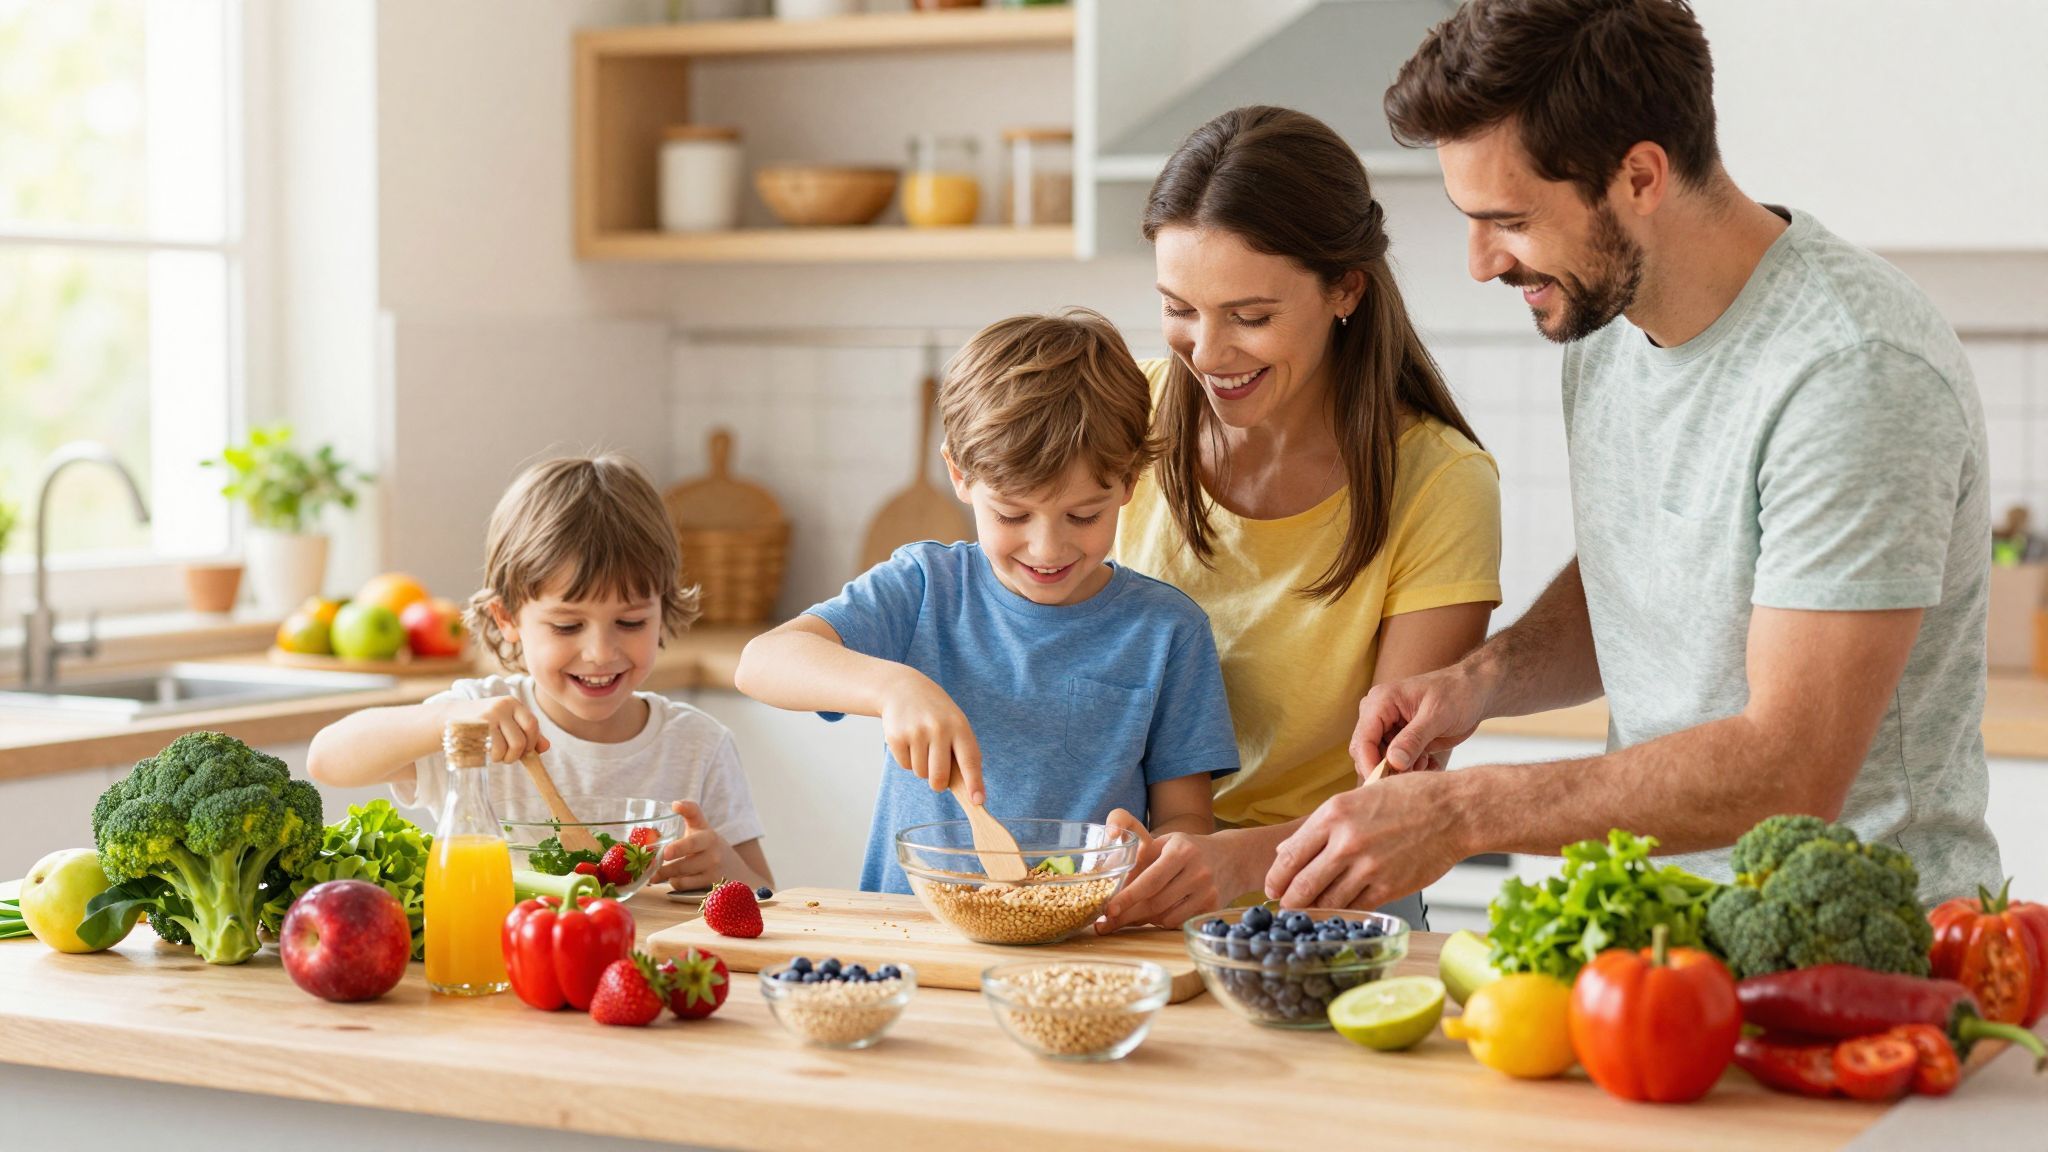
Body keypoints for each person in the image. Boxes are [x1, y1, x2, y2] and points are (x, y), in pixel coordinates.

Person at [1266, 0, 1997, 911]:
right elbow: (1650, 574)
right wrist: (1475, 683)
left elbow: (1789, 769)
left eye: (1510, 220)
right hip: (1656, 943)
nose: (1481, 262)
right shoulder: (1607, 327)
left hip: (1851, 956)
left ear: (1641, 176)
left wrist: (1459, 809)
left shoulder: (1853, 370)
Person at [1096, 105, 1503, 932]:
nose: (1207, 353)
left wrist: (1232, 864)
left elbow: (1398, 792)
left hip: (1328, 913)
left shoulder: (1437, 482)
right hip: (1118, 899)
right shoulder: (1118, 414)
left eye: (1250, 317)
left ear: (1345, 288)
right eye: (1179, 308)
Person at [734, 309, 1239, 896]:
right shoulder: (926, 586)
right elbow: (763, 661)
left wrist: (1150, 852)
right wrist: (893, 687)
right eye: (1012, 514)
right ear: (959, 474)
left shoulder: (1167, 631)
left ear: (1129, 481)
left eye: (1084, 515)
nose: (1047, 547)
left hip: (1083, 941)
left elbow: (1188, 820)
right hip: (910, 936)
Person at [308, 454, 774, 892]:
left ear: (663, 611)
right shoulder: (473, 722)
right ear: (507, 618)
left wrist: (722, 868)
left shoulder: (698, 745)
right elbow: (326, 759)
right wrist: (447, 720)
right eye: (568, 625)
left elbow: (767, 895)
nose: (600, 652)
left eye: (631, 622)